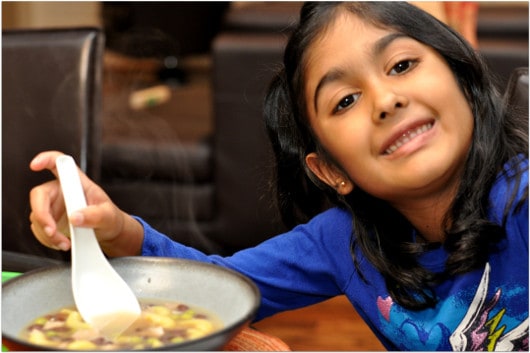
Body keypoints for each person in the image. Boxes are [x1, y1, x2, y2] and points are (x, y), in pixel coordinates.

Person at [28, 2, 528, 350]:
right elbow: (217, 290)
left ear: (463, 79)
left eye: (401, 64)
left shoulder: (521, 199)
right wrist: (116, 229)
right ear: (330, 170)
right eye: (345, 101)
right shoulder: (341, 242)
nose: (385, 100)